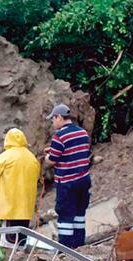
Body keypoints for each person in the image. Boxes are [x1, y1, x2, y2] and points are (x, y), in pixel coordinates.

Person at [43, 104, 92, 248]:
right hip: (84, 179)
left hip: (67, 182)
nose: (53, 122)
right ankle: (79, 244)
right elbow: (76, 152)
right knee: (79, 212)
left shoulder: (59, 136)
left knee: (65, 213)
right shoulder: (82, 133)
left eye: (53, 119)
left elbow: (52, 160)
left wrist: (48, 156)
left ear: (59, 117)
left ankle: (65, 247)